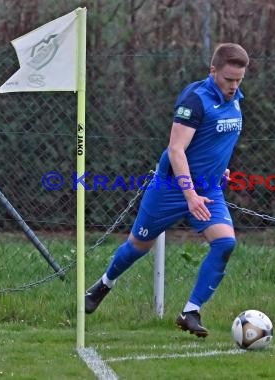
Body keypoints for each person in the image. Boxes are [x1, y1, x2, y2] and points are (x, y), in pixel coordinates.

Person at [85, 43, 249, 338]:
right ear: (213, 71)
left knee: (225, 243)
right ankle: (103, 285)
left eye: (239, 80)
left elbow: (218, 139)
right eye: (228, 80)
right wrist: (189, 194)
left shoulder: (235, 98)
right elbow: (176, 149)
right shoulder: (195, 99)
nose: (234, 86)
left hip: (208, 189)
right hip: (171, 187)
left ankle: (190, 311)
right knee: (139, 246)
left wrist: (218, 168)